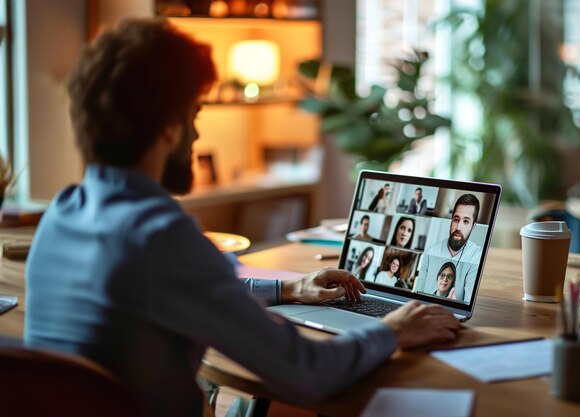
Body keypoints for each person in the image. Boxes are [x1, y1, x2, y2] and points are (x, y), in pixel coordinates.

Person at [24, 19, 461, 417]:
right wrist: (394, 331)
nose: (197, 134)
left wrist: (290, 288)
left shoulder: (63, 215)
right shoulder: (161, 235)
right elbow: (307, 372)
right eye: (195, 115)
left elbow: (186, 289)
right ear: (170, 127)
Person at [415, 194, 482, 303]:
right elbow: (416, 294)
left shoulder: (476, 257)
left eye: (465, 221)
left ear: (473, 226)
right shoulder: (431, 251)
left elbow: (468, 303)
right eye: (456, 220)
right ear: (451, 220)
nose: (458, 227)